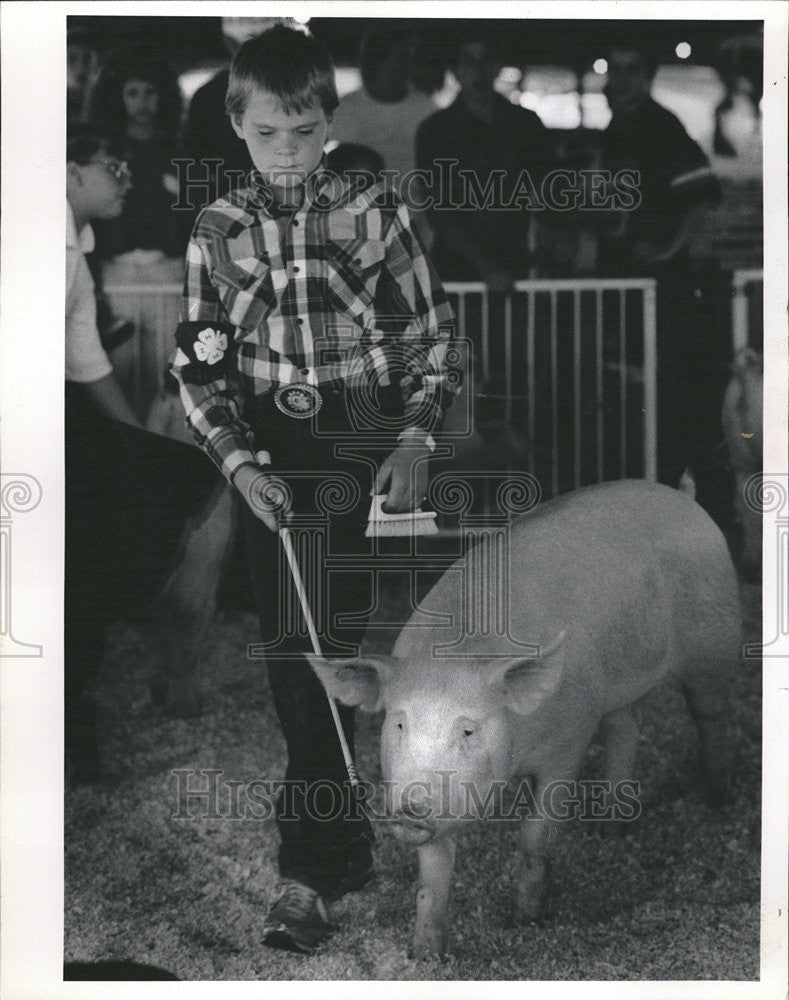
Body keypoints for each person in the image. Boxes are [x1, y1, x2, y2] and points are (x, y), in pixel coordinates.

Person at [169, 24, 459, 954]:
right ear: (237, 127)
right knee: (297, 650)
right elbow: (198, 368)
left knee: (327, 640)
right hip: (267, 447)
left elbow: (429, 332)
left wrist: (413, 434)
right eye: (266, 134)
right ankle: (319, 866)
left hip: (357, 436)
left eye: (302, 131)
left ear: (328, 121)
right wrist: (240, 466)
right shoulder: (216, 231)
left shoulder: (378, 205)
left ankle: (338, 850)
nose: (286, 152)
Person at [597, 35, 725, 512]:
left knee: (671, 396)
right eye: (616, 68)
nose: (622, 78)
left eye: (633, 69)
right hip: (634, 286)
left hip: (663, 290)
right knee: (645, 392)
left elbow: (703, 193)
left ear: (648, 76)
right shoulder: (620, 127)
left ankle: (692, 503)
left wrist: (668, 249)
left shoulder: (658, 124)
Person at [90, 46, 189, 418]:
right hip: (116, 275)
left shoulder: (180, 149)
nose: (143, 103)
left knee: (163, 377)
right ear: (117, 97)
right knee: (116, 376)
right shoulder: (104, 151)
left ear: (164, 96)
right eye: (132, 93)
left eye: (151, 92)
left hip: (167, 273)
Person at [415, 29, 551, 290]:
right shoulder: (436, 130)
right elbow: (438, 210)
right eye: (468, 61)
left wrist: (547, 248)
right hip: (457, 269)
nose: (478, 70)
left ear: (497, 66)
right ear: (455, 69)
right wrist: (486, 267)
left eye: (486, 60)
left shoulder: (526, 124)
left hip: (517, 262)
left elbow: (547, 192)